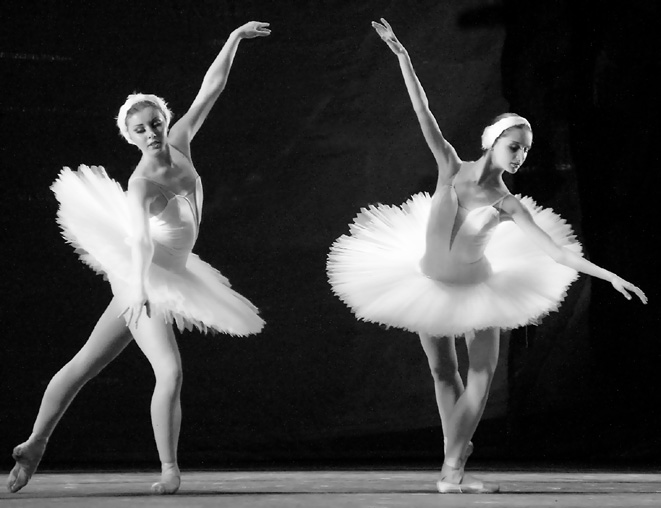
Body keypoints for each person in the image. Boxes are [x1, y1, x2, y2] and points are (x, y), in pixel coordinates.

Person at [327, 18, 647, 494]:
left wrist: (607, 275)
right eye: (514, 146)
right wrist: (403, 57)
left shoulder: (508, 203)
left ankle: (452, 469)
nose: (520, 157)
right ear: (492, 142)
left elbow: (556, 252)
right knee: (442, 371)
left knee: (481, 373)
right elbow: (422, 111)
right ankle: (455, 461)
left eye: (525, 151)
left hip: (480, 288)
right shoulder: (449, 166)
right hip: (426, 282)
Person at [7, 21, 271, 495]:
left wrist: (233, 38)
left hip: (172, 272)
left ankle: (36, 443)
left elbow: (211, 89)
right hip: (144, 278)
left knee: (84, 364)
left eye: (155, 124)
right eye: (140, 130)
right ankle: (169, 470)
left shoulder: (181, 142)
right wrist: (142, 290)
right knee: (169, 370)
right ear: (128, 137)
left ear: (166, 122)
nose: (151, 133)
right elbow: (141, 243)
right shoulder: (141, 184)